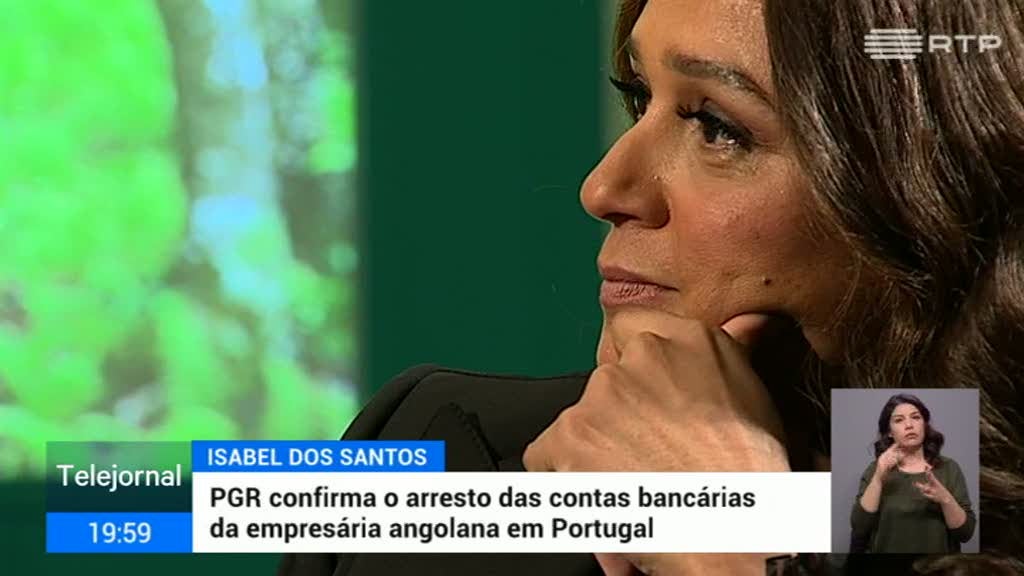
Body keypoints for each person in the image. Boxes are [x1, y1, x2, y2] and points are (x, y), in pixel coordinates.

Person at [280, 0, 1023, 574]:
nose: (604, 187)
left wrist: (734, 544)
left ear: (931, 187)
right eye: (640, 97)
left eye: (717, 126)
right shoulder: (439, 444)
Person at [850, 395, 976, 553]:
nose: (909, 425)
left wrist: (945, 499)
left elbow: (965, 533)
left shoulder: (949, 468)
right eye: (899, 420)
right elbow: (859, 527)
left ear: (924, 424)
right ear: (889, 432)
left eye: (916, 417)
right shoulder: (876, 469)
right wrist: (878, 479)